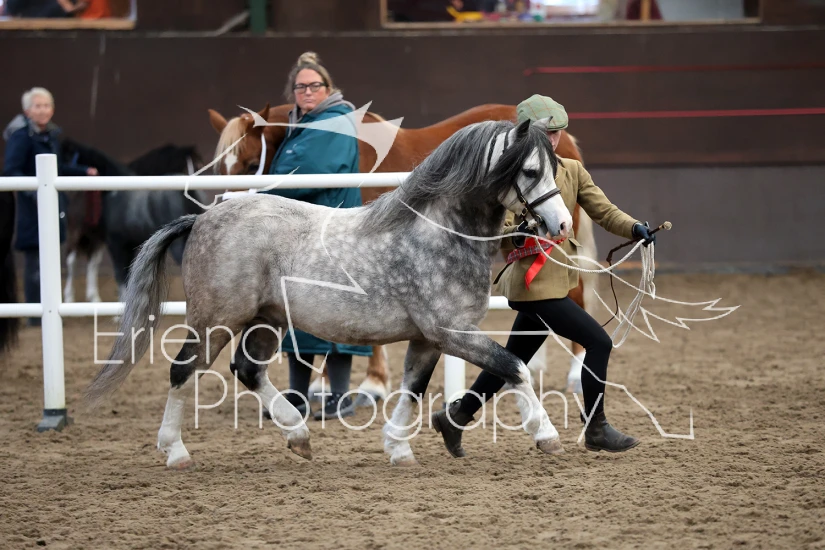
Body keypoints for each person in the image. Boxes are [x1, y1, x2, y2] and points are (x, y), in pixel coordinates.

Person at [431, 95, 656, 456]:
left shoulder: (572, 170)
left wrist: (634, 228)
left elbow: (603, 210)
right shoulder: (510, 177)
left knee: (512, 359)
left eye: (556, 133)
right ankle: (596, 427)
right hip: (532, 284)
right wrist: (522, 230)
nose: (552, 140)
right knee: (599, 342)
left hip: (557, 281)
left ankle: (456, 416)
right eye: (545, 133)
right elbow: (499, 229)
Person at [262, 52, 372, 421]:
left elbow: (309, 171)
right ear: (292, 92)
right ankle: (298, 396)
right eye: (300, 87)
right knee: (299, 316)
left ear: (328, 88)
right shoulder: (305, 123)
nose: (307, 92)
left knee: (336, 313)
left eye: (314, 86)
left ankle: (339, 396)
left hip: (332, 231)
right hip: (308, 230)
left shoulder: (334, 121)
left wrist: (260, 194)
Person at [3, 87, 97, 326]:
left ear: (52, 109)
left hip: (55, 209)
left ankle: (51, 313)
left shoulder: (51, 136)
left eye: (46, 106)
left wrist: (83, 171)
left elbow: (58, 168)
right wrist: (36, 191)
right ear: (27, 110)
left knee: (53, 262)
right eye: (38, 106)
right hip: (32, 213)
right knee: (35, 263)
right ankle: (36, 317)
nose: (43, 110)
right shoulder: (21, 137)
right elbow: (11, 170)